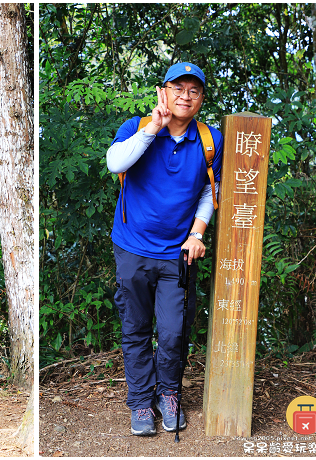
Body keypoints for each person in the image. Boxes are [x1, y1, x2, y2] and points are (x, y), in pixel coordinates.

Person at [106, 62, 223, 436]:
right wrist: (153, 127)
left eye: (193, 90)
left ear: (201, 98)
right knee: (136, 327)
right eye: (178, 88)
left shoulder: (210, 140)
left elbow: (209, 190)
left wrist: (197, 233)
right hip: (132, 247)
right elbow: (115, 163)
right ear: (164, 92)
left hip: (178, 252)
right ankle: (141, 401)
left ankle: (168, 393)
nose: (185, 96)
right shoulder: (137, 127)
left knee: (174, 331)